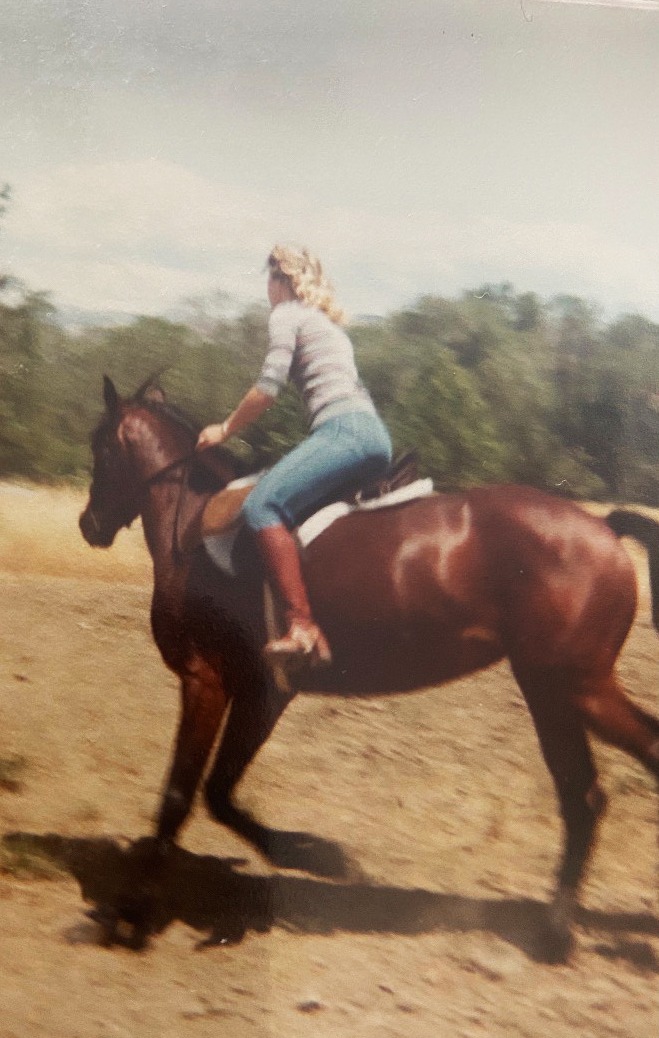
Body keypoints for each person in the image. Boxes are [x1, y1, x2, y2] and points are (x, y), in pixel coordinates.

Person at [196, 244, 392, 663]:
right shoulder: (327, 324)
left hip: (343, 432)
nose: (267, 289)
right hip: (373, 435)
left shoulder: (287, 314)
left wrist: (225, 428)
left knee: (263, 505)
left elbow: (268, 387)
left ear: (281, 280)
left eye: (269, 279)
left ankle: (301, 624)